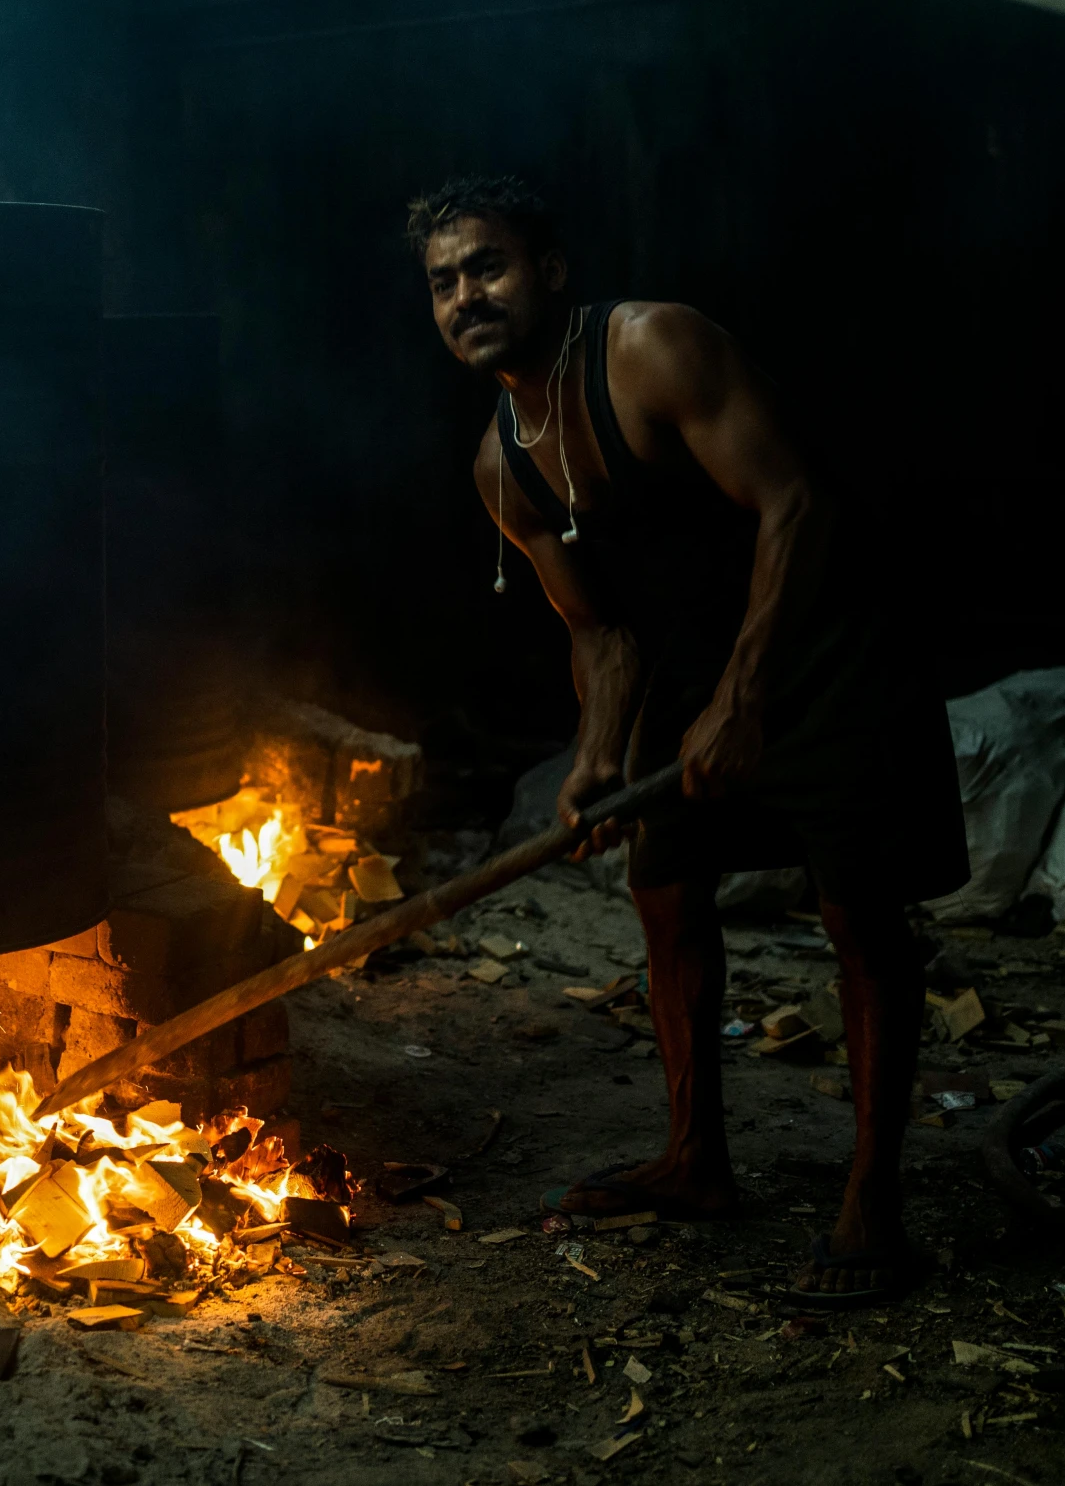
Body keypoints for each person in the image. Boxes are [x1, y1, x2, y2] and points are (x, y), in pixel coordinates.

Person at [408, 174, 967, 1303]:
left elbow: (794, 503)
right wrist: (599, 756)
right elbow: (601, 631)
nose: (467, 295)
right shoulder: (498, 465)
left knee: (857, 915)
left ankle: (872, 1206)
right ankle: (694, 1158)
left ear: (550, 269)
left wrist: (746, 697)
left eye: (489, 266)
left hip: (824, 646)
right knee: (662, 890)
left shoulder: (650, 350)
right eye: (442, 281)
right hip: (686, 673)